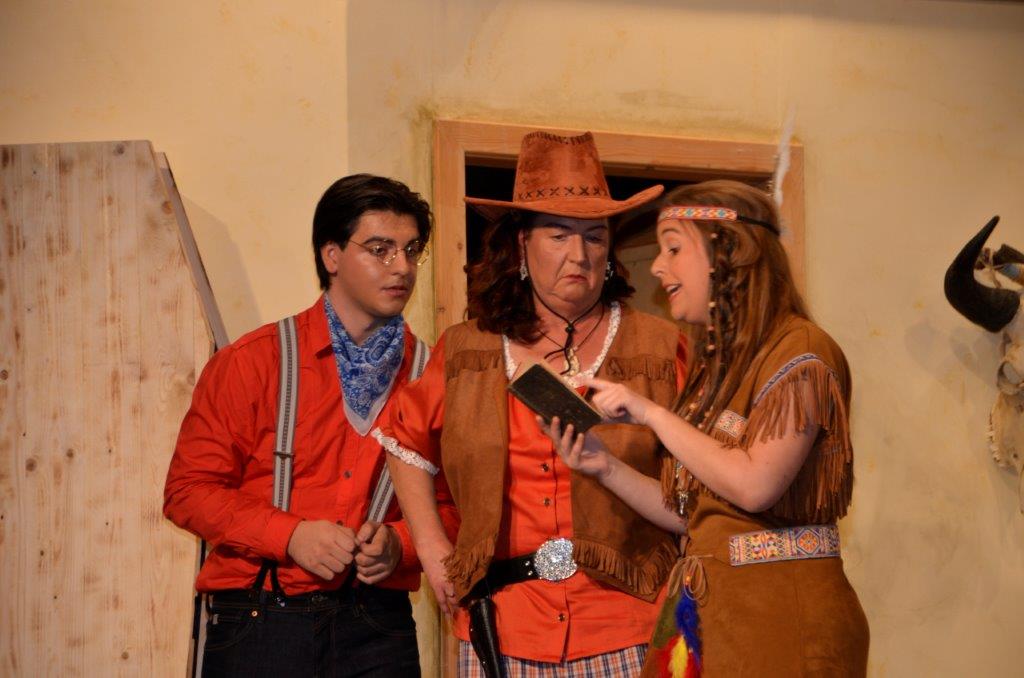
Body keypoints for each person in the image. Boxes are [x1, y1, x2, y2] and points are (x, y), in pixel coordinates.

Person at [374, 131, 688, 676]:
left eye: (594, 236)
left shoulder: (660, 348)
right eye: (559, 235)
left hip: (629, 625)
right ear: (522, 245)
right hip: (502, 628)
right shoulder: (468, 348)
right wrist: (431, 546)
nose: (579, 255)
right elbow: (404, 442)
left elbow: (702, 480)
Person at [543, 180, 869, 677]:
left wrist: (653, 414)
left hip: (783, 624)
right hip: (720, 621)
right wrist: (603, 466)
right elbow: (692, 515)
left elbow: (754, 485)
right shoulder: (721, 371)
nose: (658, 266)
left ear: (730, 250)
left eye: (674, 248)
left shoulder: (802, 350)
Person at [164, 174, 458, 677]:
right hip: (259, 619)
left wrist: (400, 544)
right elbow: (187, 492)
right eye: (380, 250)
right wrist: (290, 535)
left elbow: (456, 509)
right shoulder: (254, 361)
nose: (402, 267)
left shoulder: (433, 376)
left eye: (412, 251)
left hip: (378, 625)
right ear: (332, 255)